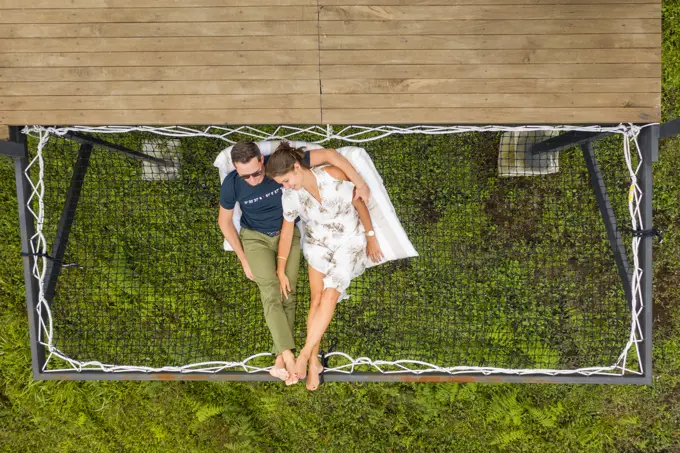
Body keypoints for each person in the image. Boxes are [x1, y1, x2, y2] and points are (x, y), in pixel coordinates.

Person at [217, 141, 370, 385]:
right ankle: (287, 356)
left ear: (262, 161)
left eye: (257, 173)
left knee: (288, 292)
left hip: (289, 235)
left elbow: (331, 155)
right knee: (270, 290)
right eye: (245, 176)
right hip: (255, 238)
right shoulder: (233, 183)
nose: (254, 180)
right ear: (236, 170)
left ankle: (296, 358)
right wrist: (243, 258)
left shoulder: (283, 167)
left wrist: (360, 184)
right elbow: (224, 222)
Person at [266, 142, 384, 390]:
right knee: (316, 299)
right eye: (282, 184)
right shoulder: (291, 197)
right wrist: (280, 269)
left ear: (297, 167)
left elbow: (359, 203)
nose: (285, 186)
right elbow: (287, 233)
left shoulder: (333, 175)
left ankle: (306, 356)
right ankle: (313, 365)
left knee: (330, 295)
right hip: (317, 243)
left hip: (349, 241)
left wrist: (371, 237)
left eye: (286, 180)